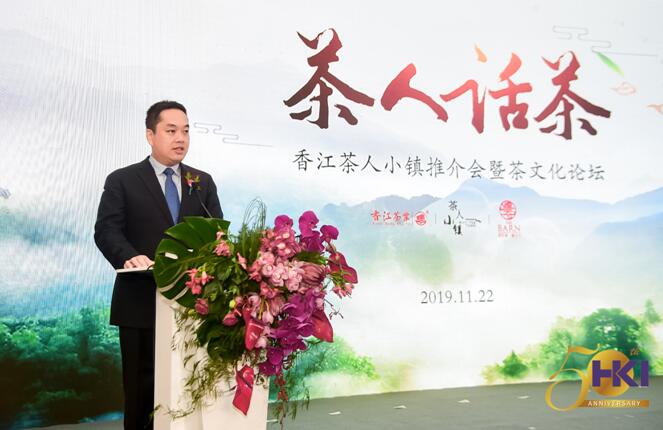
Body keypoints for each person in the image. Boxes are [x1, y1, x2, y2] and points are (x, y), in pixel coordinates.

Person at [94, 100, 222, 430]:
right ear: (150, 135)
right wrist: (128, 255)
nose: (180, 138)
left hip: (192, 306)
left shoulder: (201, 182)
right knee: (141, 392)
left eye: (186, 131)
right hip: (140, 301)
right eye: (171, 131)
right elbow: (106, 230)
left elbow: (217, 235)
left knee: (189, 388)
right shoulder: (123, 180)